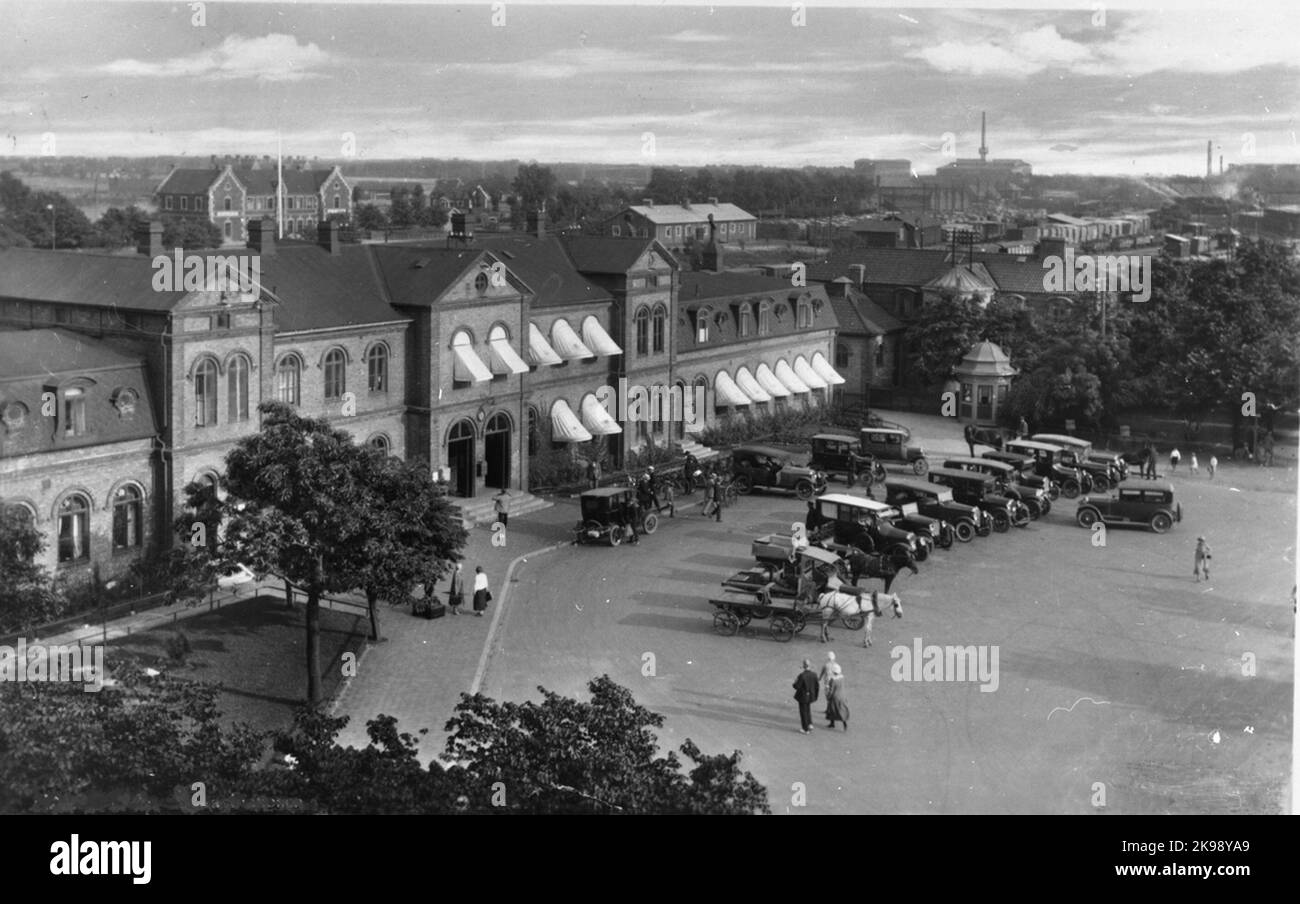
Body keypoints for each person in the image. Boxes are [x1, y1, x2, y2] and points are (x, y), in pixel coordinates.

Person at [792, 659, 819, 734]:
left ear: (804, 666)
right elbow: (817, 686)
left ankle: (805, 728)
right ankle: (810, 724)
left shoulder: (802, 676)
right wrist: (815, 695)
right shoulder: (814, 674)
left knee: (803, 712)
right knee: (808, 710)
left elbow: (796, 686)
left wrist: (795, 682)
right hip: (811, 696)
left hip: (803, 696)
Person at [824, 661, 849, 731]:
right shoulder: (842, 678)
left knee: (832, 710)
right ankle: (844, 723)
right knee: (842, 710)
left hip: (835, 697)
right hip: (842, 695)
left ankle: (832, 723)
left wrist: (828, 696)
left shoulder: (833, 680)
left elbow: (831, 690)